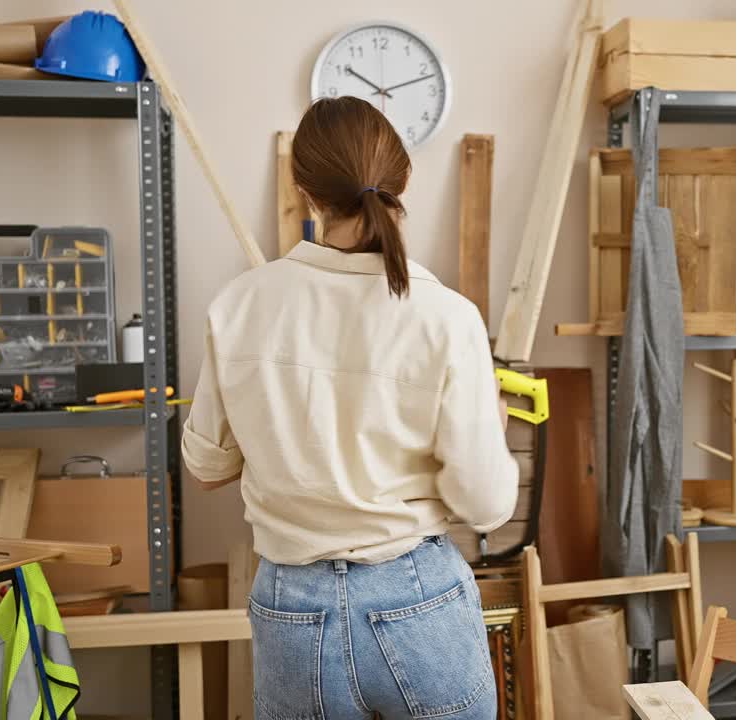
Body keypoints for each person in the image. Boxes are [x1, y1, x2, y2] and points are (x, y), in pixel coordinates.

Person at [182, 96, 518, 720]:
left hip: (292, 605)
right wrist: (487, 432)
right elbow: (487, 506)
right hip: (418, 596)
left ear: (304, 188)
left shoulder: (240, 305)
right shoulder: (446, 316)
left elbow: (206, 469)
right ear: (403, 180)